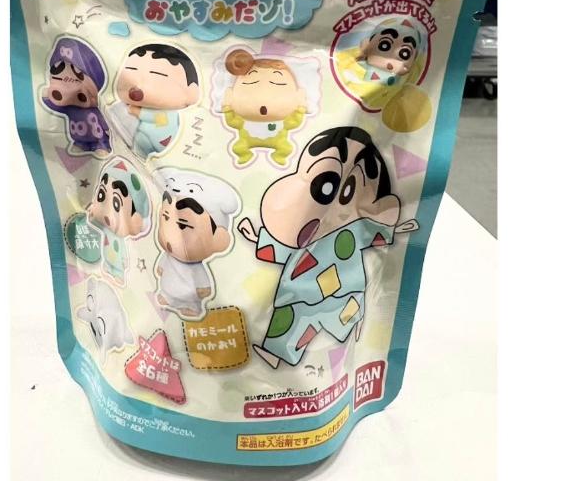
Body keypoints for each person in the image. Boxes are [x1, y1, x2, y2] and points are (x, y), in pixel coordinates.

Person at [237, 127, 419, 368]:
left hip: (342, 293)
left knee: (342, 320)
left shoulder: (354, 230)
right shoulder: (308, 234)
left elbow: (375, 233)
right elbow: (286, 247)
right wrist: (256, 237)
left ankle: (350, 349)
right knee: (293, 318)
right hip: (301, 293)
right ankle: (276, 352)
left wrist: (399, 228)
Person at [152, 168, 240, 320]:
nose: (170, 235)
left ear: (218, 239)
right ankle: (167, 297)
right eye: (166, 218)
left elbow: (203, 283)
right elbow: (162, 265)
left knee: (190, 301)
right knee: (167, 292)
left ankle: (191, 307)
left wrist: (203, 289)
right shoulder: (168, 255)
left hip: (189, 295)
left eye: (183, 225)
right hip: (167, 285)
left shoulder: (197, 267)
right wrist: (161, 268)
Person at [218, 48, 312, 166]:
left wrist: (300, 107)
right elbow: (232, 122)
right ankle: (245, 155)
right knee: (238, 148)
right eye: (251, 83)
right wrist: (227, 107)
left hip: (279, 140)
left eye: (278, 84)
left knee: (286, 148)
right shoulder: (243, 120)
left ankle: (279, 156)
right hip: (245, 140)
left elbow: (294, 122)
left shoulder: (283, 121)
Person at [107, 44, 200, 159]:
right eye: (131, 70)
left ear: (192, 90)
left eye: (157, 74)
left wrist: (139, 112)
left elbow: (161, 119)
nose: (137, 88)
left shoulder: (173, 114)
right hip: (140, 141)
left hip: (168, 141)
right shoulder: (120, 107)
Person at [42, 36, 111, 155]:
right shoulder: (68, 108)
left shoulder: (96, 110)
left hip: (99, 136)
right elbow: (54, 106)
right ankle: (81, 144)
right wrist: (46, 95)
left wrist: (108, 128)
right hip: (78, 138)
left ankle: (102, 145)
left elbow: (105, 119)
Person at [87, 157, 151, 284]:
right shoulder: (101, 227)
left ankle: (118, 273)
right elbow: (92, 226)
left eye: (116, 204)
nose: (107, 212)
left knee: (117, 262)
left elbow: (123, 250)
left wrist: (124, 260)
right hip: (101, 259)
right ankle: (108, 268)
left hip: (118, 262)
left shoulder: (122, 239)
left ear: (135, 218)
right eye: (101, 195)